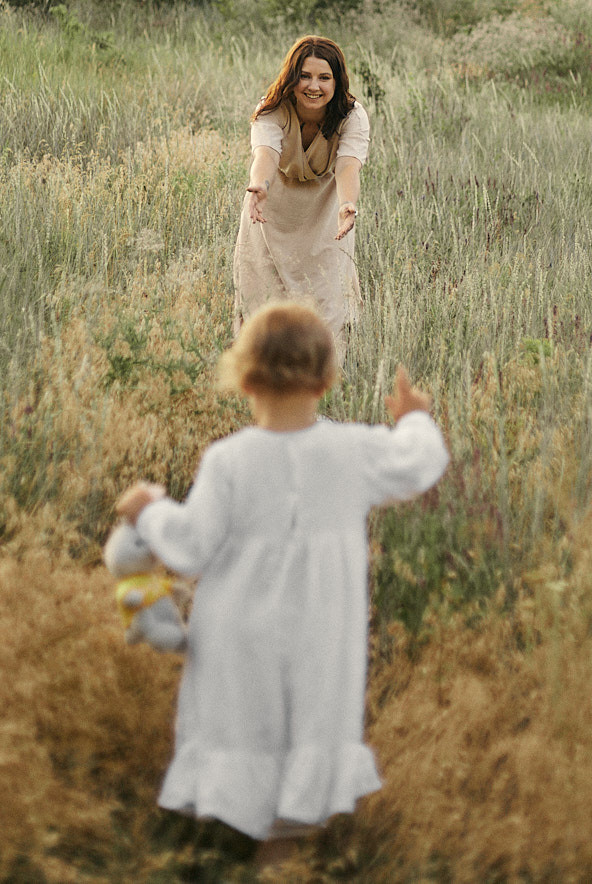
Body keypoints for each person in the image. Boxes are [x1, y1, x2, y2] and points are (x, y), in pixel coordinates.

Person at [116, 302, 448, 867]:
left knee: (243, 725)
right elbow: (419, 461)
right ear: (325, 378)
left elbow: (191, 547)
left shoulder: (229, 461)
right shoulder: (352, 451)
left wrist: (148, 511)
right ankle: (280, 860)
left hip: (238, 631)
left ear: (243, 378)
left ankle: (225, 843)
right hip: (322, 627)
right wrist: (415, 416)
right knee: (308, 726)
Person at [233, 36, 369, 348]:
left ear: (338, 81)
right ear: (292, 77)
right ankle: (265, 385)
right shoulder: (271, 109)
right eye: (305, 76)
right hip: (270, 210)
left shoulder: (352, 115)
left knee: (327, 306)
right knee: (264, 306)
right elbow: (265, 154)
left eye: (324, 78)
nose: (313, 86)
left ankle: (323, 387)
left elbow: (348, 165)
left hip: (326, 216)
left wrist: (348, 203)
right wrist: (260, 187)